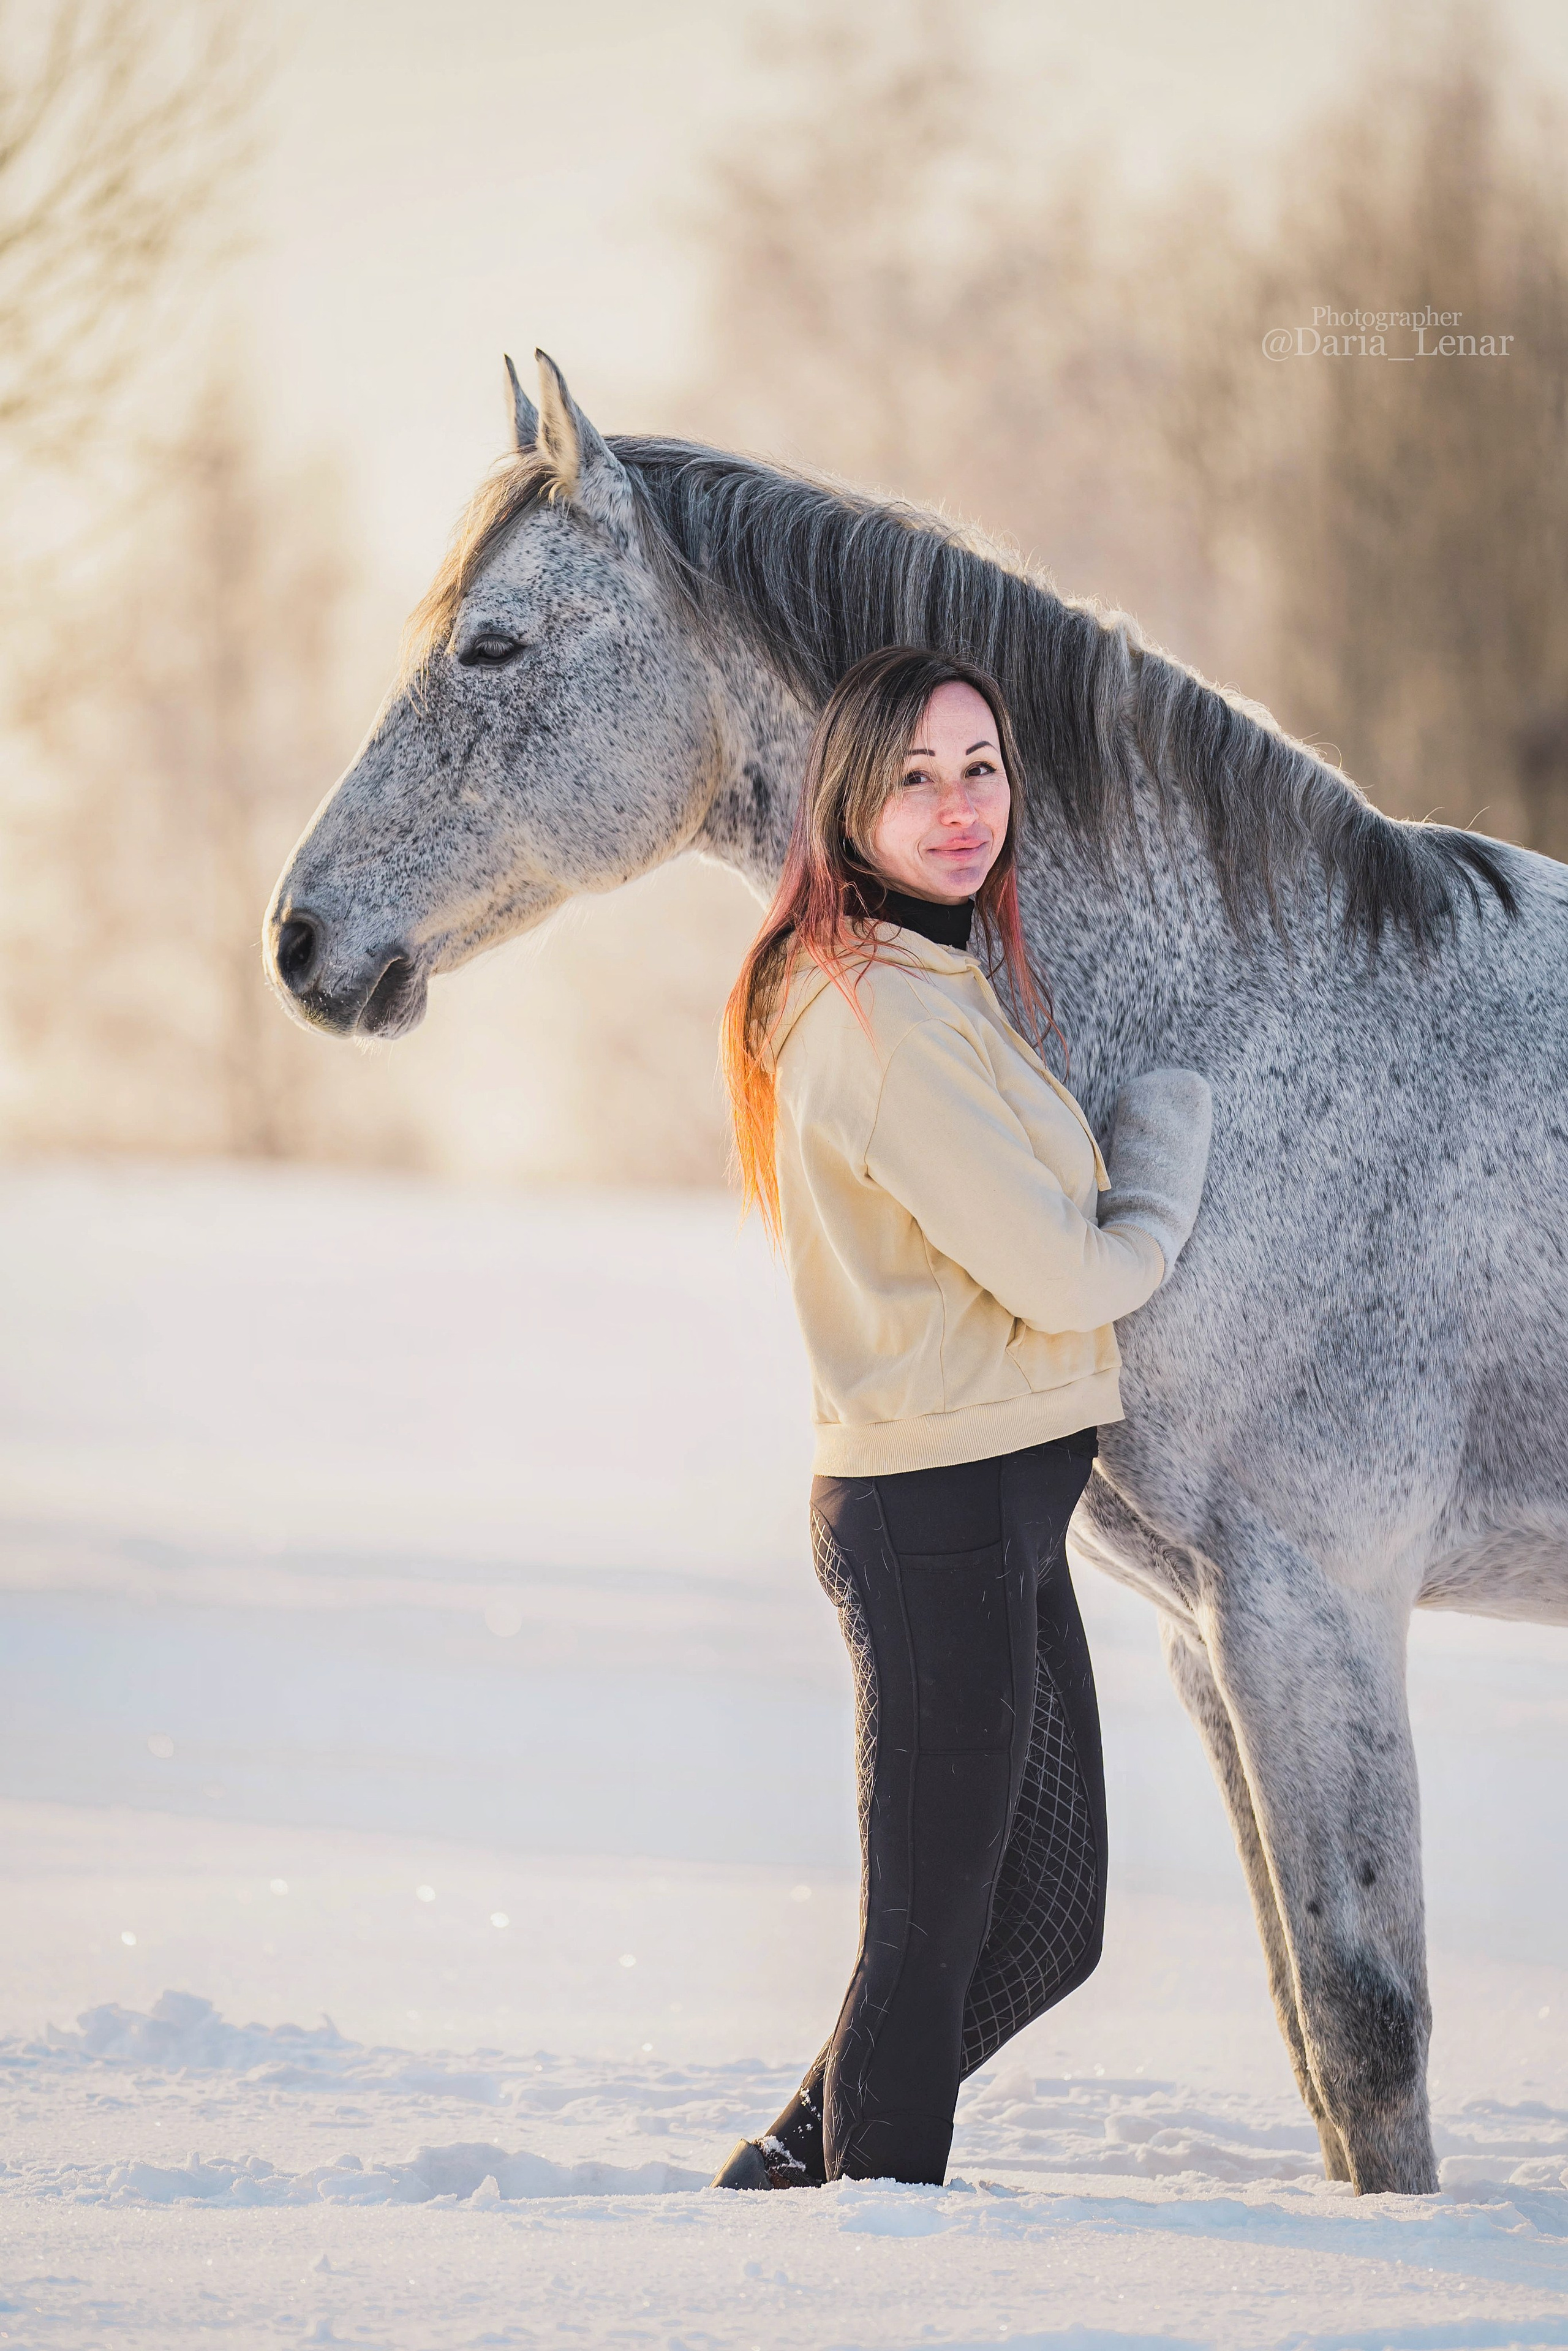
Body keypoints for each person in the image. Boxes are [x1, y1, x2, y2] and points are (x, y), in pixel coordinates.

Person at [711, 645, 1213, 2191]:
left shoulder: (925, 977)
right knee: (925, 1942)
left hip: (987, 1508)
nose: (955, 808)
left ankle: (800, 2168)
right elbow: (1066, 1269)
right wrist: (1159, 1163)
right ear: (847, 805)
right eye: (914, 777)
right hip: (931, 1515)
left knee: (1045, 1924)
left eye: (978, 768)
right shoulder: (882, 1020)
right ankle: (868, 2244)